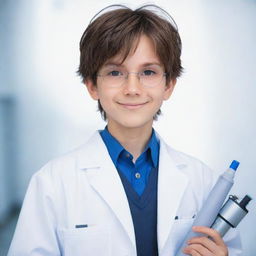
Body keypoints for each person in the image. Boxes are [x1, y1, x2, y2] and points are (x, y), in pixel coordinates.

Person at [8, 4, 242, 256]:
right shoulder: (52, 183)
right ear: (92, 85)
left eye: (148, 72)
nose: (132, 88)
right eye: (115, 72)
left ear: (169, 85)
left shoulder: (201, 180)